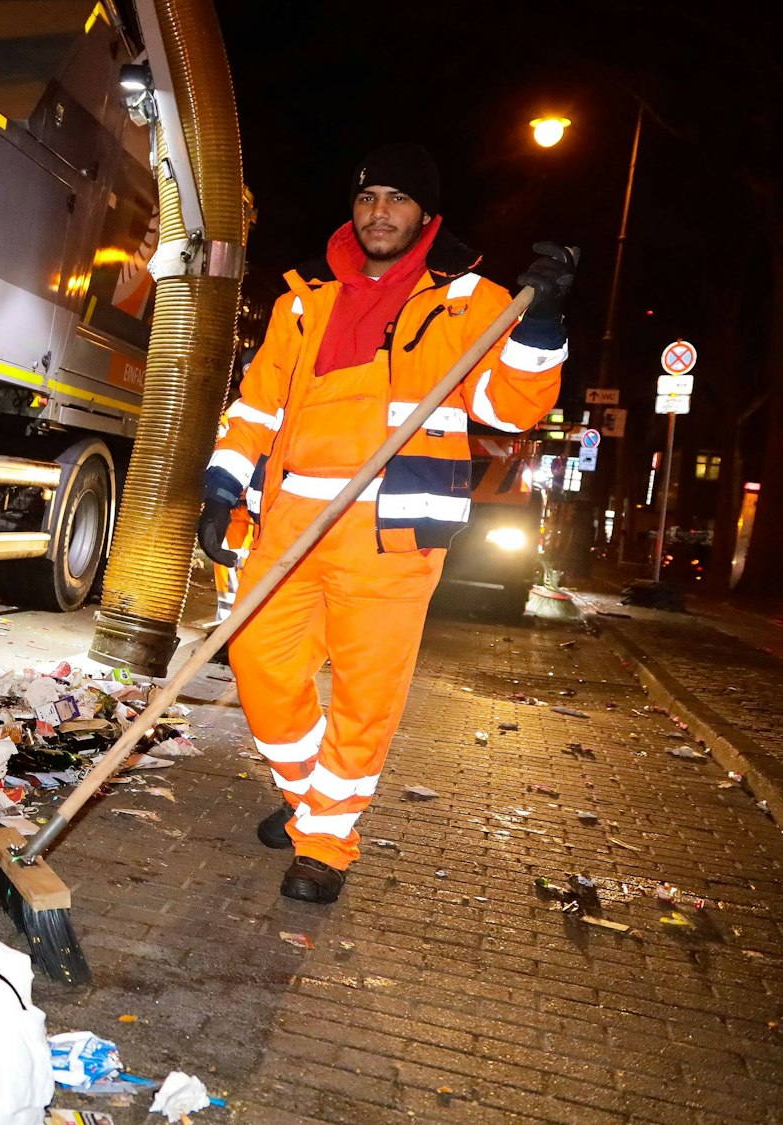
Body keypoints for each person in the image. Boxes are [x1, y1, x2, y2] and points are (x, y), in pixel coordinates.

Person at [197, 143, 572, 904]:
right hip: (292, 522)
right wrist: (222, 486)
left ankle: (326, 844)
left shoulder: (471, 302)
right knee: (260, 666)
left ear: (427, 216)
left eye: (397, 200)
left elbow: (512, 407)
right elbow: (256, 408)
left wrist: (544, 322)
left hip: (391, 534)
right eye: (369, 199)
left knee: (367, 695)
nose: (379, 213)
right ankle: (309, 800)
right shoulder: (304, 301)